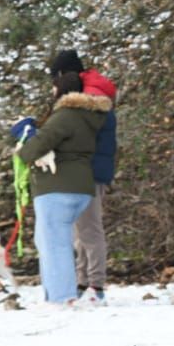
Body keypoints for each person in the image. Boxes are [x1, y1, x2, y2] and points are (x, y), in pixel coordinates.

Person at [10, 72, 113, 307]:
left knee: (54, 243)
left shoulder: (65, 116)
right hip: (83, 188)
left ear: (60, 91)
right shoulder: (91, 117)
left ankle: (61, 298)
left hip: (58, 188)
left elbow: (33, 149)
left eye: (54, 88)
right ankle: (59, 294)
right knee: (54, 240)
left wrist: (21, 133)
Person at [49, 49, 118, 304]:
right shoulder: (92, 90)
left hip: (88, 169)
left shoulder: (90, 98)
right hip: (88, 168)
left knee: (89, 229)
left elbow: (81, 136)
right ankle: (82, 281)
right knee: (82, 229)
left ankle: (96, 285)